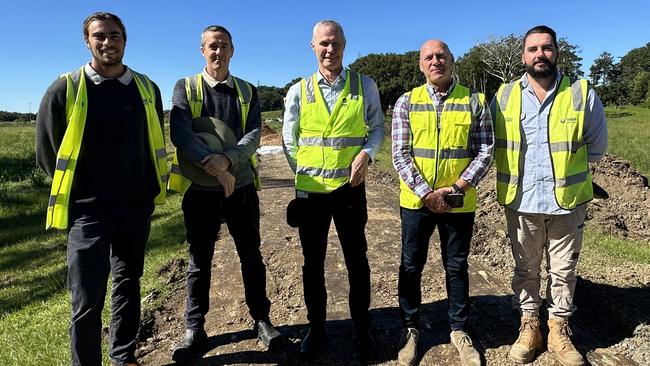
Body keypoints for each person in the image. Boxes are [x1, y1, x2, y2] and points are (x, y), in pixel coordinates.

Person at [35, 12, 167, 366]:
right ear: (87, 41)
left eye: (115, 35)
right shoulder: (65, 88)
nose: (108, 42)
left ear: (125, 40)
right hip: (88, 213)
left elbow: (152, 141)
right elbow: (47, 152)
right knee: (87, 298)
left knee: (128, 286)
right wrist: (81, 191)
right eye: (99, 36)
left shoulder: (146, 88)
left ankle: (124, 356)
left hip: (136, 208)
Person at [492, 25, 607, 366]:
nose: (539, 54)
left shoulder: (581, 93)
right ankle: (530, 327)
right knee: (525, 269)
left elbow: (597, 148)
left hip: (566, 202)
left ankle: (558, 328)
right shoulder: (505, 95)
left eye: (546, 48)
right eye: (532, 49)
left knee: (563, 270)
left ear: (557, 52)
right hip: (522, 200)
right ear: (523, 56)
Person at [167, 25, 283, 363]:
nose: (218, 52)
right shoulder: (185, 88)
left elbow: (253, 134)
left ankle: (262, 320)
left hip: (242, 185)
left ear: (233, 51)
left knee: (251, 254)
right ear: (202, 50)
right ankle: (194, 328)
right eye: (212, 46)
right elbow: (180, 131)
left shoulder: (247, 91)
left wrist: (227, 160)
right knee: (199, 260)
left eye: (224, 46)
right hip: (200, 188)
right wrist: (211, 164)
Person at [282, 19, 385, 361]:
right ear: (313, 46)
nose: (330, 50)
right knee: (313, 264)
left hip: (349, 190)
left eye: (336, 43)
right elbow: (289, 138)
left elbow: (376, 129)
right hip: (311, 192)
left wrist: (367, 156)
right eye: (324, 43)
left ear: (344, 45)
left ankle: (362, 328)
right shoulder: (298, 91)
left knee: (357, 261)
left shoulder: (364, 85)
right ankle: (317, 328)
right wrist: (304, 171)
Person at [391, 39, 494, 366]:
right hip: (416, 203)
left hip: (458, 202)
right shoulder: (406, 102)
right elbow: (400, 154)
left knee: (456, 266)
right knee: (411, 265)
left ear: (452, 60)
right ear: (420, 64)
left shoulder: (475, 101)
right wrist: (427, 193)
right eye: (428, 57)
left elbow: (485, 149)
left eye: (441, 56)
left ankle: (459, 329)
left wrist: (457, 187)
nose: (436, 61)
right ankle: (410, 329)